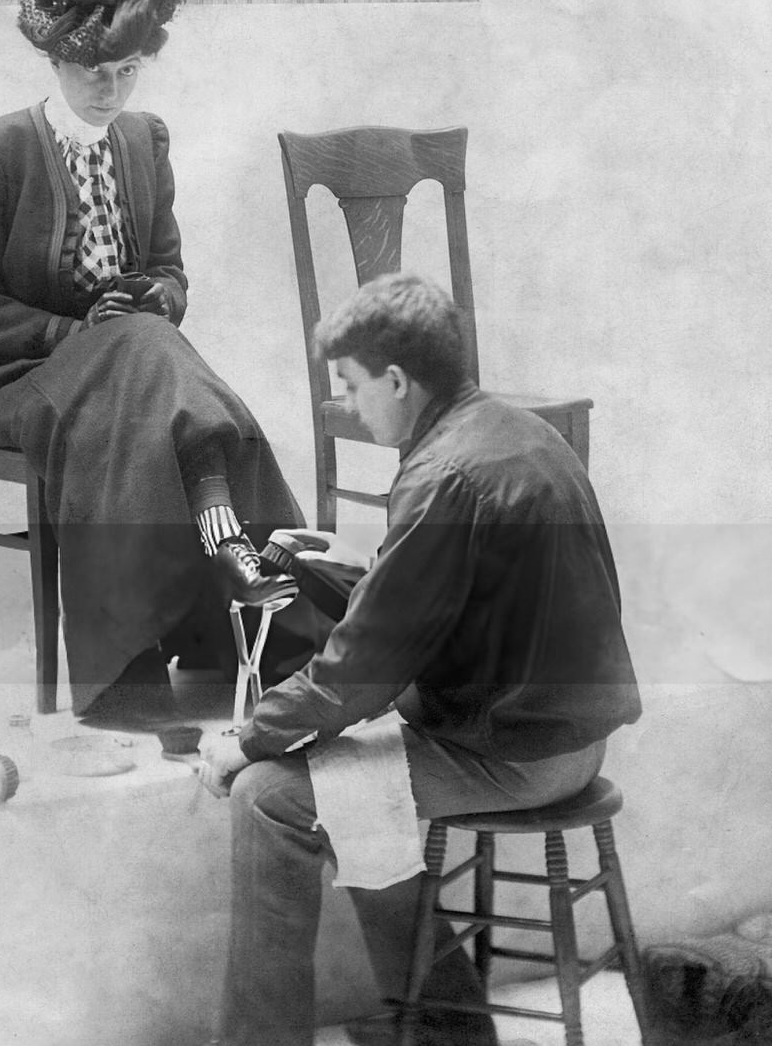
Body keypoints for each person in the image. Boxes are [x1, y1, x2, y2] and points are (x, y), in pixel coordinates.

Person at [197, 272, 642, 1046]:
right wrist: (359, 571)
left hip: (520, 753)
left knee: (270, 793)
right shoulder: (514, 431)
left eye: (355, 385)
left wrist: (242, 738)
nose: (351, 406)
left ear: (399, 379)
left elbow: (357, 676)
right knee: (356, 778)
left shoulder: (441, 475)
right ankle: (448, 1026)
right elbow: (458, 604)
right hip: (567, 735)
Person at [0, 0, 301, 725]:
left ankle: (182, 623)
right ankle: (232, 549)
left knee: (146, 342)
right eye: (93, 69)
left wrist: (153, 300)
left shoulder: (144, 141)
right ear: (56, 61)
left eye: (127, 70)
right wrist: (79, 329)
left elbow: (171, 271)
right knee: (143, 350)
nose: (110, 87)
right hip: (11, 378)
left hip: (129, 379)